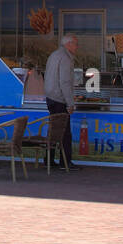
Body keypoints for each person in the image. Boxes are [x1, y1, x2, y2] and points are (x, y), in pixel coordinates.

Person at [44, 34, 79, 169]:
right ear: (68, 44)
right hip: (59, 99)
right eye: (75, 44)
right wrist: (70, 103)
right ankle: (65, 162)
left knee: (53, 130)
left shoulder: (54, 55)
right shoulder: (66, 58)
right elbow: (65, 82)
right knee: (65, 132)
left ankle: (49, 159)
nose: (77, 47)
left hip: (50, 97)